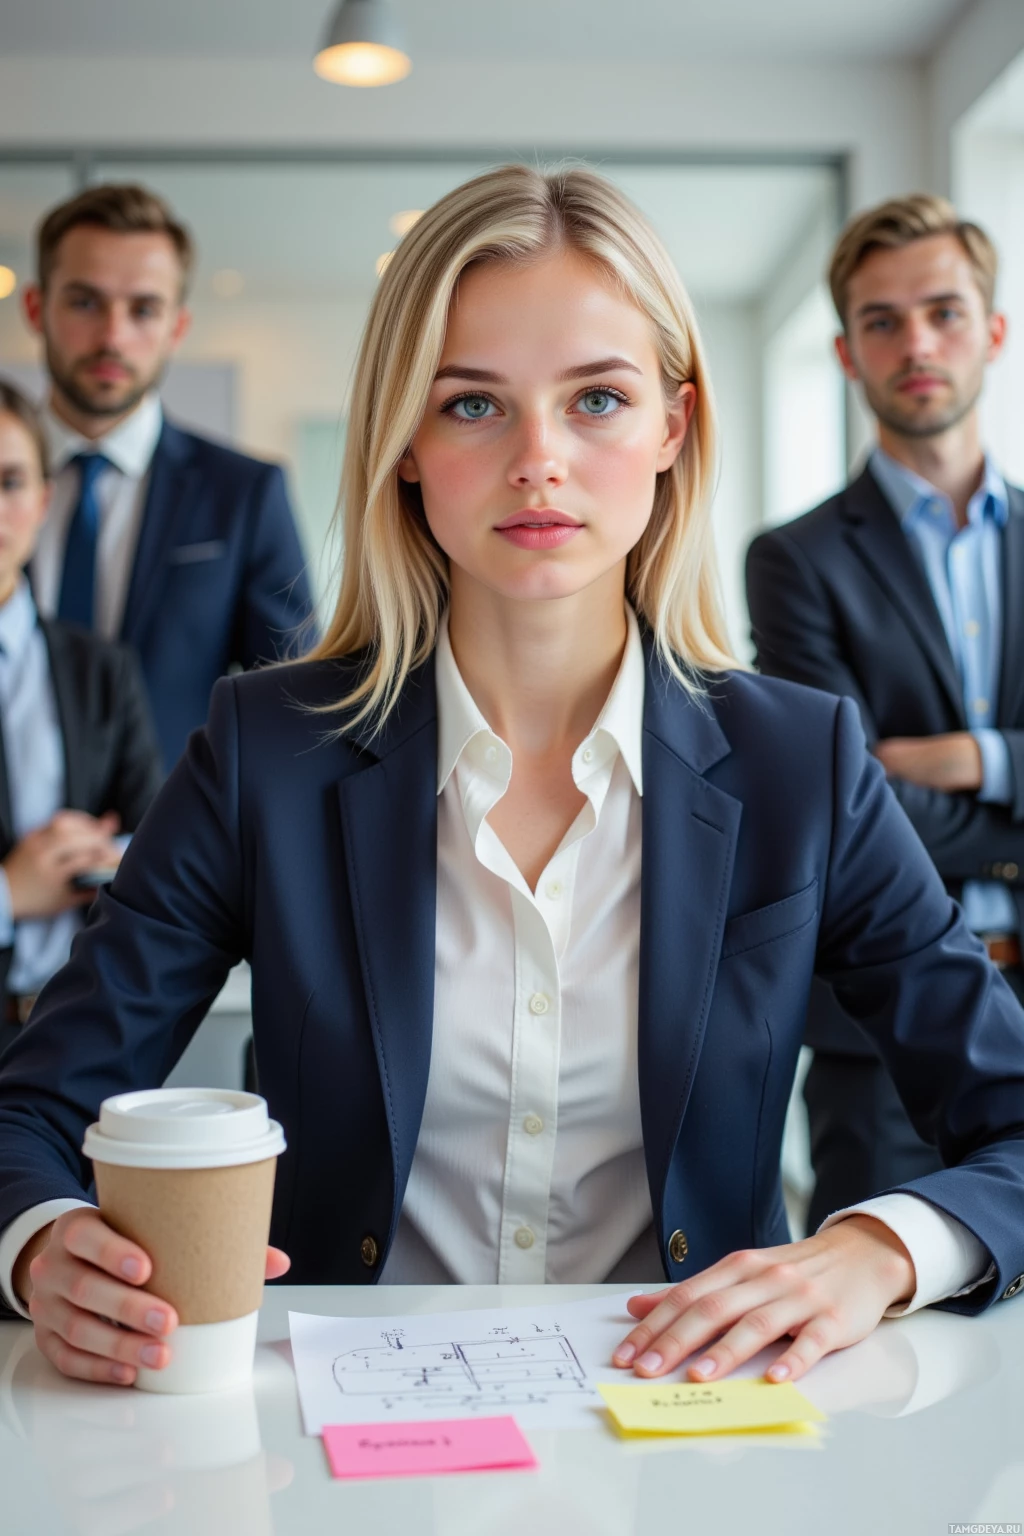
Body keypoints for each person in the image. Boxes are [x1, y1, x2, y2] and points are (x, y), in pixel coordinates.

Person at [0, 167, 1023, 1395]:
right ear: (407, 447)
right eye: (474, 405)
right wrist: (42, 1245)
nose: (540, 460)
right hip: (336, 1450)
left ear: (671, 428)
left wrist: (874, 1251)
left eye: (597, 398)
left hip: (699, 1448)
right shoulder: (262, 749)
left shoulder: (799, 761)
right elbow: (31, 1114)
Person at [746, 194, 1024, 1234]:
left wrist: (975, 758)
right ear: (843, 351)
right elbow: (853, 804)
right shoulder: (796, 560)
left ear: (992, 333)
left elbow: (894, 786)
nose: (917, 343)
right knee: (876, 1344)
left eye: (944, 312)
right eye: (881, 320)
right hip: (883, 1034)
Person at [22, 183, 316, 772]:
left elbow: (294, 705)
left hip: (176, 843)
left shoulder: (245, 494)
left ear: (177, 327)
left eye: (143, 309)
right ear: (36, 309)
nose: (112, 336)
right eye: (84, 302)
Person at [0, 380, 162, 1059]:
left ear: (43, 501)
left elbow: (159, 842)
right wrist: (9, 894)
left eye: (9, 481)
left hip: (80, 1035)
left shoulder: (102, 669)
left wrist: (97, 860)